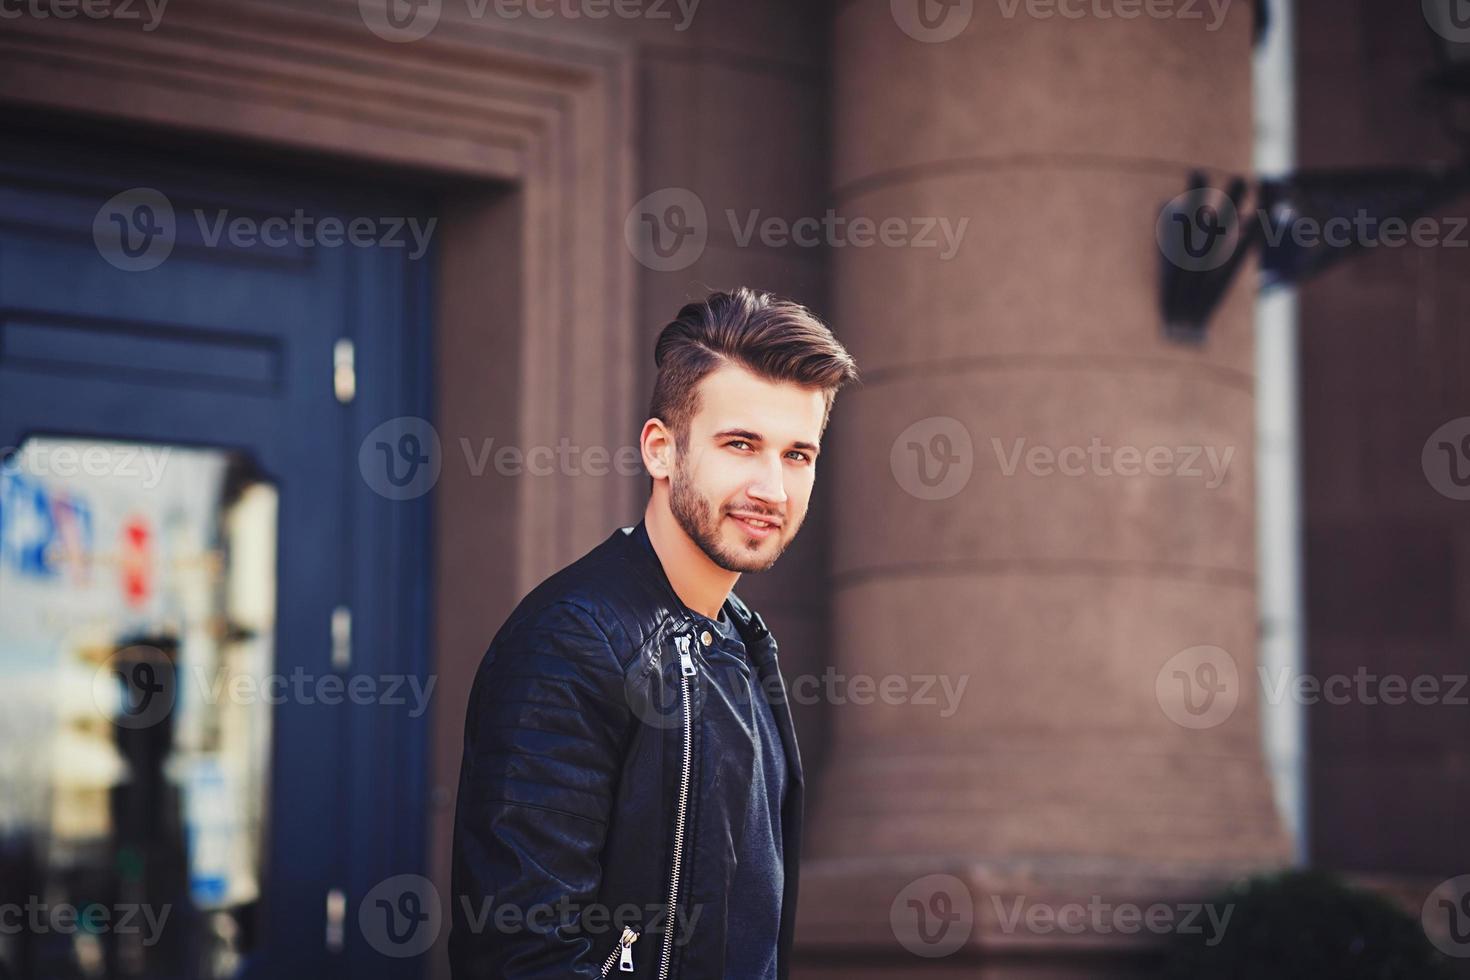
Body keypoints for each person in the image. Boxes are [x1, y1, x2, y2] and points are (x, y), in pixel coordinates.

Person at [448, 287, 859, 979]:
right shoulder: (572, 640)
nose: (773, 489)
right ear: (661, 450)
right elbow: (518, 954)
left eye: (798, 455)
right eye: (741, 444)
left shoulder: (743, 646)